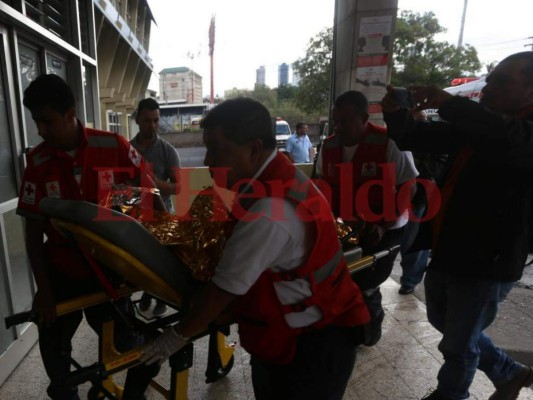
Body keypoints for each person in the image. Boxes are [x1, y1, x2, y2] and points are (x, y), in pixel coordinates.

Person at [140, 97, 371, 400]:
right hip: (305, 332)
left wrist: (176, 336)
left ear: (253, 149)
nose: (208, 160)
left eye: (218, 150)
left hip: (312, 349)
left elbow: (225, 288)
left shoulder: (268, 210)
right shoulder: (276, 179)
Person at [381, 51, 533, 400]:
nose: (489, 87)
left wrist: (449, 103)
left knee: (459, 342)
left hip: (489, 258)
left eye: (502, 81)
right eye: (490, 79)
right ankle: (508, 371)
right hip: (450, 247)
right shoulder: (485, 125)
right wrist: (396, 113)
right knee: (445, 324)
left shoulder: (514, 132)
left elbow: (507, 138)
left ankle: (451, 394)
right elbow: (419, 137)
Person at [16, 74, 161, 400]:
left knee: (137, 350)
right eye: (36, 121)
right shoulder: (38, 164)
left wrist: (141, 268)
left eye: (47, 121)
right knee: (56, 360)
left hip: (110, 272)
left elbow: (149, 202)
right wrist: (45, 291)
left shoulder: (114, 148)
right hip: (63, 273)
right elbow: (33, 234)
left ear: (71, 114)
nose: (40, 130)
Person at [315, 90, 418, 345]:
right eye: (335, 121)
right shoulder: (328, 146)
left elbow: (409, 187)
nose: (338, 127)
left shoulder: (389, 143)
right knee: (340, 278)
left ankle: (368, 332)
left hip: (386, 226)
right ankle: (346, 324)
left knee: (366, 282)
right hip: (346, 226)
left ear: (363, 118)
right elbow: (319, 185)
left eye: (345, 121)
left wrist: (383, 225)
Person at [130, 97, 181, 317]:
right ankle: (150, 294)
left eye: (156, 120)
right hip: (134, 219)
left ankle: (158, 297)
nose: (152, 125)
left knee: (161, 263)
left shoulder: (168, 151)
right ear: (137, 120)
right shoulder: (127, 150)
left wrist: (152, 182)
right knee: (141, 263)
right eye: (147, 120)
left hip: (162, 217)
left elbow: (178, 187)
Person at [395, 110, 448, 295]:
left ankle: (409, 281)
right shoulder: (402, 140)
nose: (420, 126)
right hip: (396, 197)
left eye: (422, 121)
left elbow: (436, 168)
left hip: (420, 199)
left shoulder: (437, 144)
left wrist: (410, 166)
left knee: (413, 243)